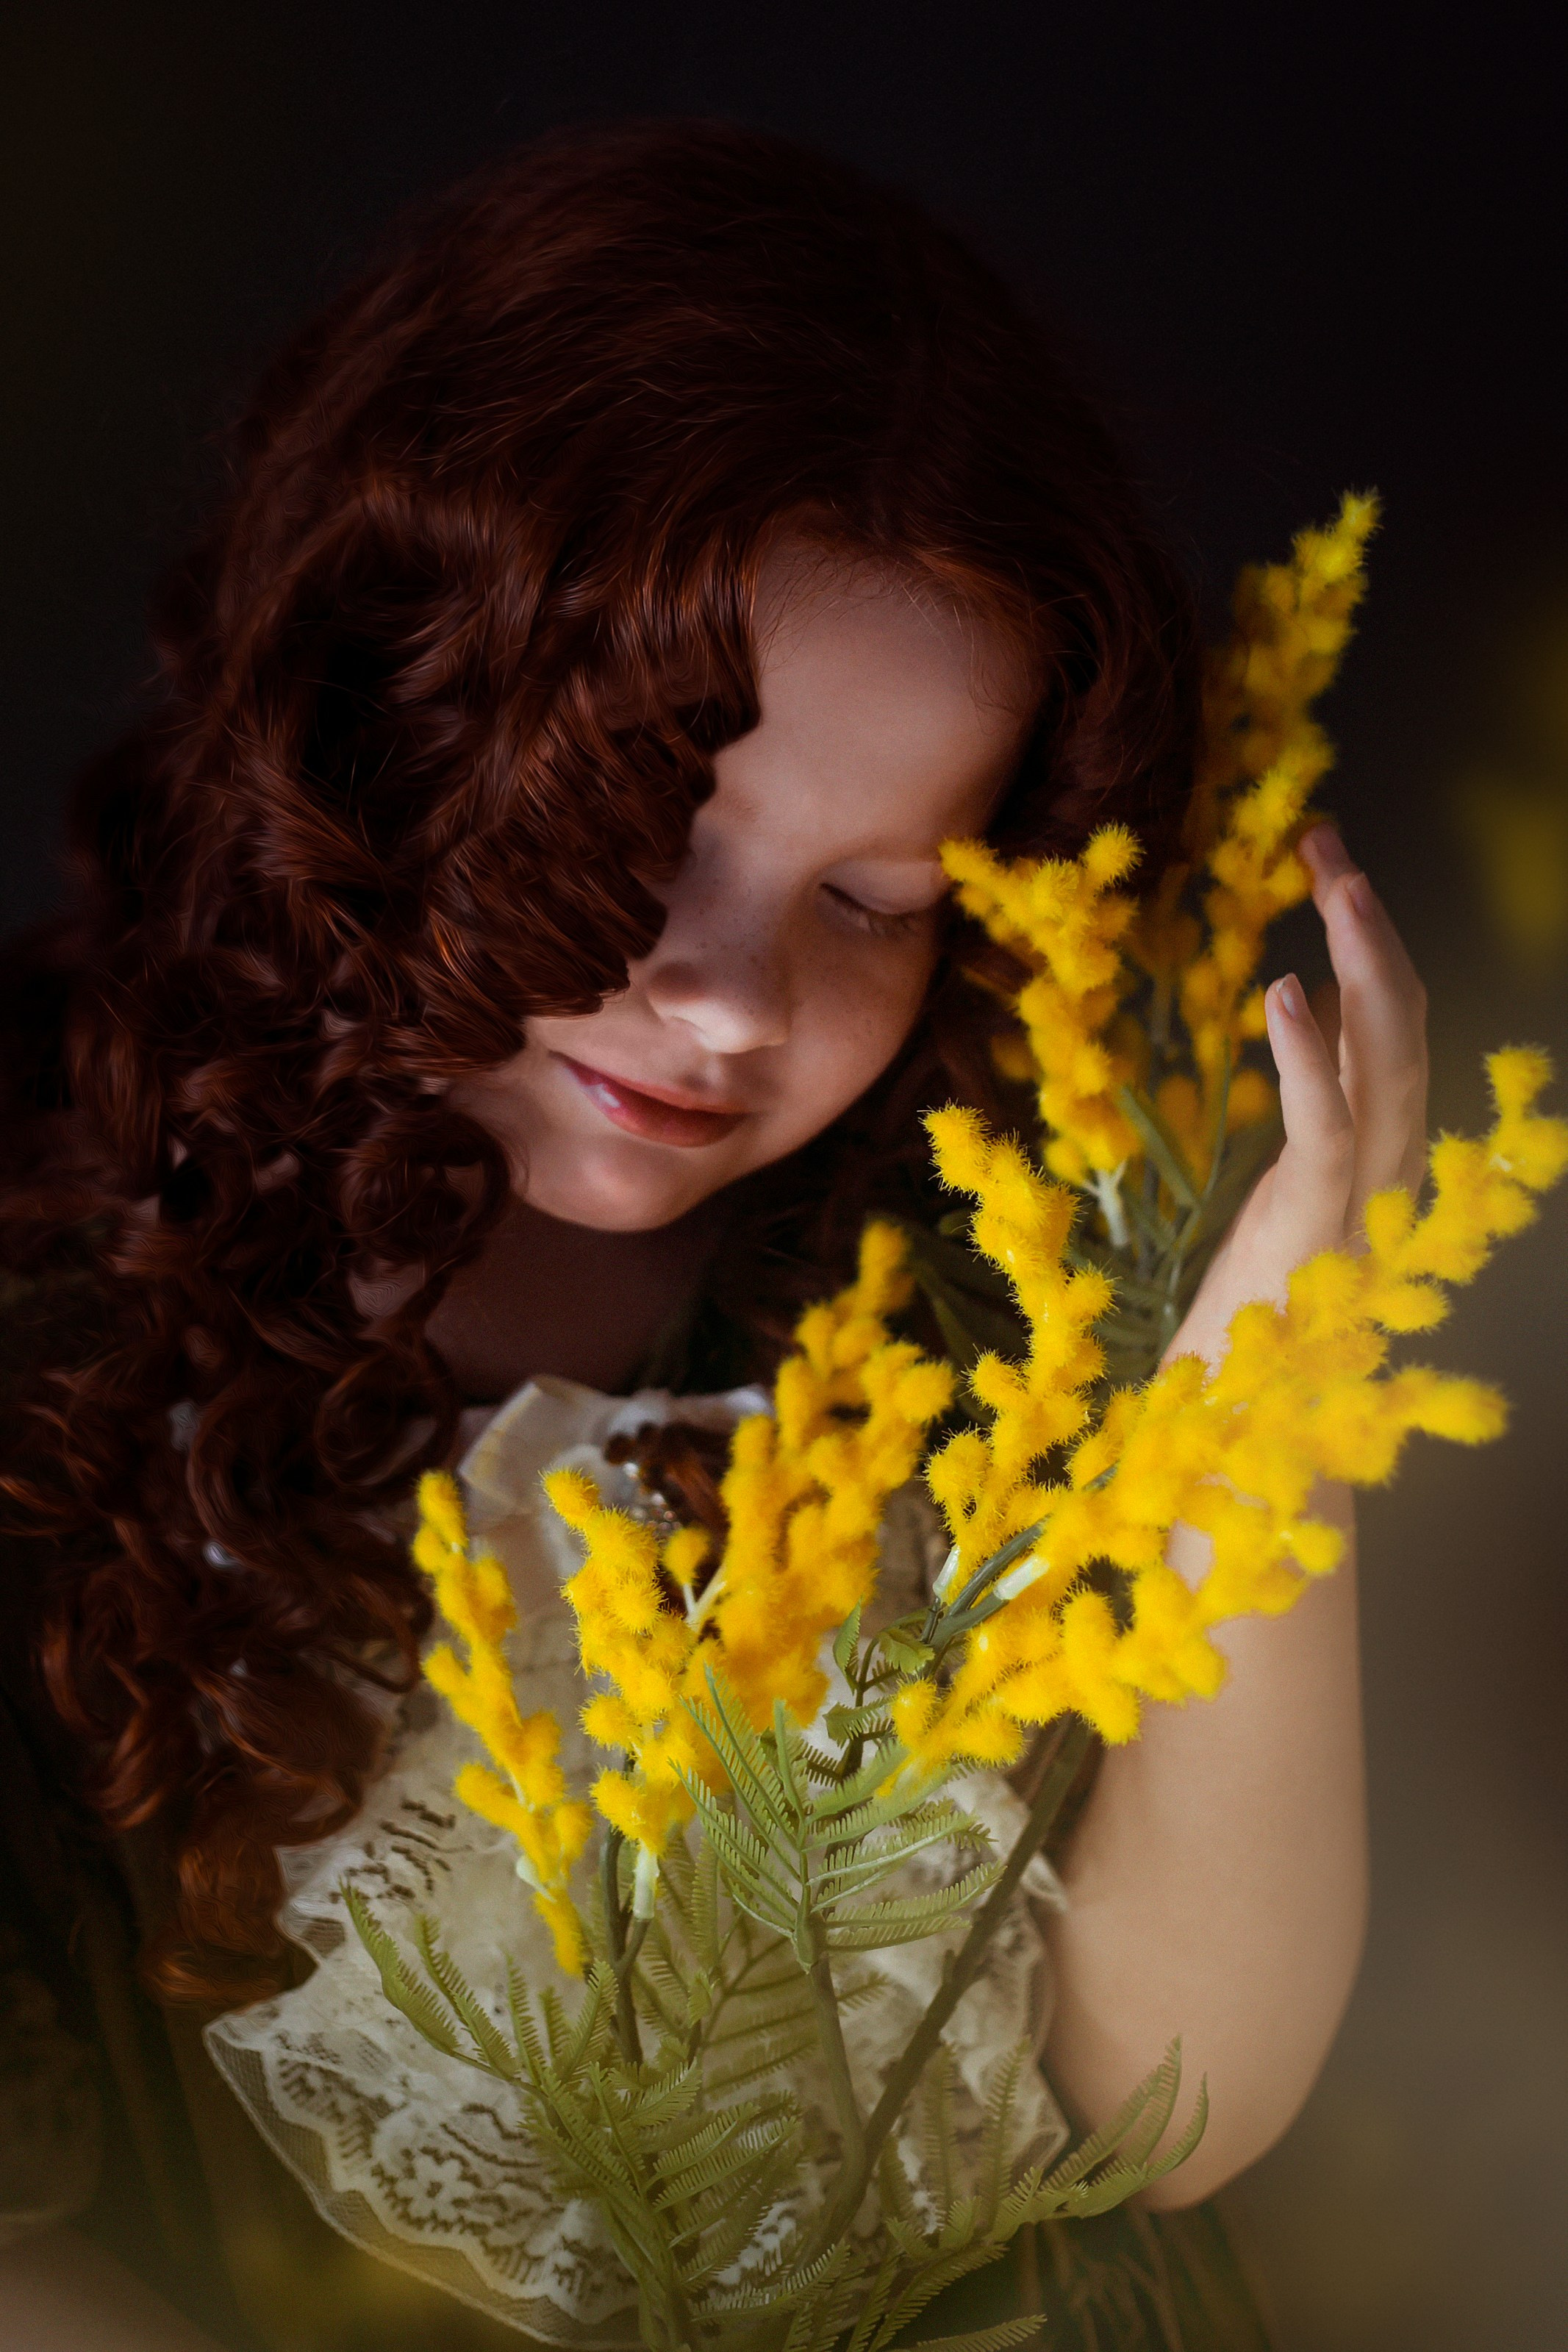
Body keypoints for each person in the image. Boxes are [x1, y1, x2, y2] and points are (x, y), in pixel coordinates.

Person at [0, 121, 1425, 2351]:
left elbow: (1163, 2105)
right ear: (391, 707)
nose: (736, 999)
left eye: (874, 899)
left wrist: (1269, 1391)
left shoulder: (980, 1270)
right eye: (640, 830)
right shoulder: (47, 1320)